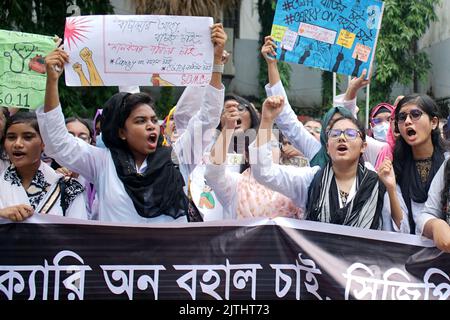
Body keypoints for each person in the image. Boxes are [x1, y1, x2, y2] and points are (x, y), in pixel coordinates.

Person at [37, 23, 227, 224]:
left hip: (171, 255)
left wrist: (215, 64)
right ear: (121, 132)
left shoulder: (178, 156)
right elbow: (56, 142)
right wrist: (51, 80)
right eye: (140, 121)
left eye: (154, 120)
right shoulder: (102, 163)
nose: (151, 126)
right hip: (118, 255)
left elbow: (208, 118)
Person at [249, 96, 387, 229]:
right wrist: (266, 121)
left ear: (363, 146)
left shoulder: (375, 179)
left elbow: (391, 229)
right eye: (335, 134)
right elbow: (263, 172)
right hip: (316, 253)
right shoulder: (311, 179)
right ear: (327, 147)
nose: (342, 138)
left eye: (350, 134)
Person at [261, 36, 383, 169]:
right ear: (325, 137)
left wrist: (353, 89)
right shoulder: (309, 173)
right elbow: (286, 119)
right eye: (333, 129)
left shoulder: (369, 177)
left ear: (362, 145)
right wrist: (271, 65)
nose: (341, 136)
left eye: (348, 132)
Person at [204, 96, 303, 220]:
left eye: (271, 145)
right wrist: (228, 129)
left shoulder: (295, 182)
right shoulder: (235, 184)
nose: (265, 152)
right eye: (258, 146)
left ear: (280, 151)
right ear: (246, 155)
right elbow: (213, 173)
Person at [377, 94, 447, 234]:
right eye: (402, 117)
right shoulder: (395, 167)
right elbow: (402, 229)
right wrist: (390, 188)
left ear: (433, 122)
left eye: (415, 114)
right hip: (409, 251)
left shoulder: (447, 163)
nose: (408, 121)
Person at [0, 112, 87, 221]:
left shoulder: (68, 189)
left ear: (44, 143)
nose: (17, 144)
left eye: (27, 137)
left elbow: (79, 234)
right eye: (11, 137)